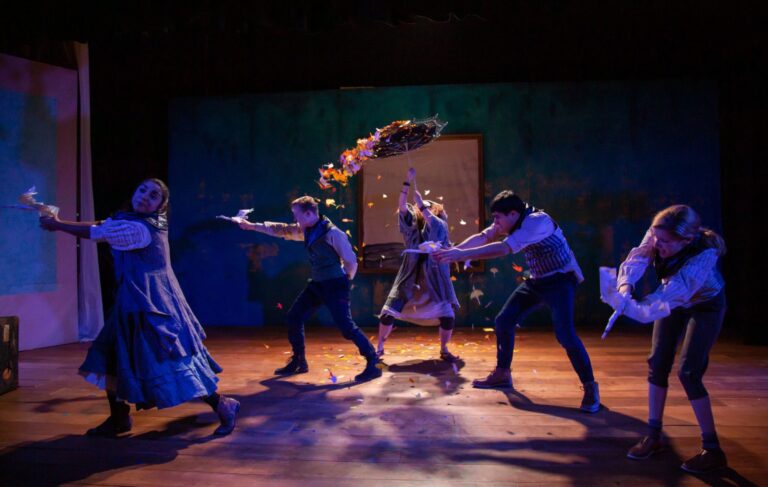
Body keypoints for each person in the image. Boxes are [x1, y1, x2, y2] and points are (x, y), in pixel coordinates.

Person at [39, 178, 239, 436]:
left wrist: (56, 224)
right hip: (132, 302)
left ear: (161, 205)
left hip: (152, 305)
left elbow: (99, 232)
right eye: (142, 190)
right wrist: (58, 223)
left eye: (154, 195)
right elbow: (103, 225)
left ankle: (223, 404)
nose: (145, 196)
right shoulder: (134, 220)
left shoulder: (142, 229)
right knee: (112, 356)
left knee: (172, 360)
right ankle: (119, 417)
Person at [433, 190, 600, 413]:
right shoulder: (510, 220)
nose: (496, 223)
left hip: (561, 280)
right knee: (504, 320)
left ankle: (590, 386)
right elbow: (484, 237)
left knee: (565, 335)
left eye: (498, 218)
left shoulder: (536, 222)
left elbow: (503, 248)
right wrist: (451, 251)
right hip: (538, 280)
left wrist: (459, 256)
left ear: (513, 214)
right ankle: (503, 373)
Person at [616, 205, 727, 473]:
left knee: (689, 372)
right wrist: (624, 287)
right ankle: (653, 436)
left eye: (665, 242)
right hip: (672, 299)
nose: (658, 245)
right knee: (657, 362)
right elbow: (638, 259)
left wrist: (641, 306)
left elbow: (679, 289)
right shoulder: (657, 234)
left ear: (686, 240)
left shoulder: (704, 254)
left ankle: (713, 451)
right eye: (656, 238)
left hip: (704, 304)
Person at [239, 196, 381, 382]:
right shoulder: (308, 229)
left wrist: (346, 280)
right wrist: (252, 226)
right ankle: (299, 361)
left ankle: (374, 363)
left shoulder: (333, 234)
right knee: (294, 317)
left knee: (346, 327)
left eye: (297, 215)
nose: (295, 219)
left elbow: (350, 260)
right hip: (317, 284)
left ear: (308, 213)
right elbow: (282, 229)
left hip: (335, 284)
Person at [376, 168, 460, 361]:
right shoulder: (412, 227)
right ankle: (379, 347)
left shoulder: (440, 225)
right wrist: (407, 182)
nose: (422, 209)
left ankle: (444, 350)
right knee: (388, 311)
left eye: (428, 207)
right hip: (410, 274)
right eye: (420, 207)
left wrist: (423, 205)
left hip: (435, 276)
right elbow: (402, 208)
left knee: (446, 315)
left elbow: (435, 224)